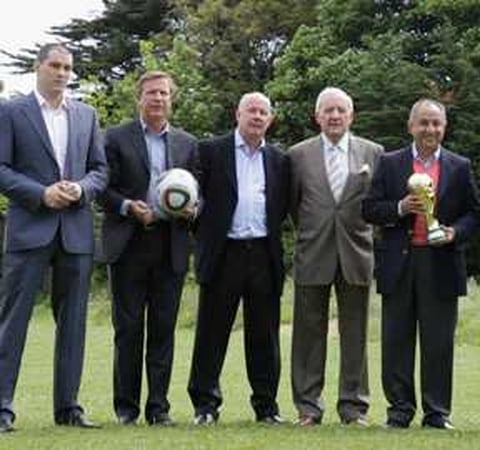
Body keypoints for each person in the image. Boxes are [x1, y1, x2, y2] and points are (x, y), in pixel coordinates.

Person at [0, 43, 108, 432]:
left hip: (75, 233)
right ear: (38, 67)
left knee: (74, 324)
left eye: (67, 67)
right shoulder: (12, 112)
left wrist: (81, 188)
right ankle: (2, 408)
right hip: (30, 230)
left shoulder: (86, 114)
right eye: (55, 66)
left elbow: (100, 170)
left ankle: (68, 408)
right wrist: (41, 193)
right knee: (13, 321)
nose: (62, 73)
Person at [363, 98, 479, 430]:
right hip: (399, 263)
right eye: (424, 122)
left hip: (441, 262)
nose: (430, 129)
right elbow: (369, 209)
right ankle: (400, 411)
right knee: (396, 340)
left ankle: (437, 412)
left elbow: (474, 214)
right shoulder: (390, 163)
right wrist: (399, 208)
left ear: (445, 127)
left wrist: (455, 232)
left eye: (436, 123)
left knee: (438, 342)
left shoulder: (460, 166)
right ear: (411, 126)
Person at [98, 71, 198, 426]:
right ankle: (126, 409)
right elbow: (102, 188)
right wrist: (128, 207)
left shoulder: (187, 143)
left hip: (171, 245)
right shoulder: (115, 137)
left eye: (164, 93)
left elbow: (199, 192)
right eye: (152, 93)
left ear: (172, 99)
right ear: (139, 97)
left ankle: (159, 408)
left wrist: (193, 209)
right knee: (127, 330)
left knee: (163, 329)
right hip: (129, 244)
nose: (158, 98)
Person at [187, 92, 290, 425]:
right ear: (238, 114)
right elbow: (194, 201)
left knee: (264, 336)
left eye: (263, 112)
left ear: (270, 119)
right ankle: (205, 406)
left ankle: (266, 407)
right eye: (251, 111)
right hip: (223, 253)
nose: (257, 117)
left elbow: (282, 207)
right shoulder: (210, 151)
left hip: (263, 253)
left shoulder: (279, 159)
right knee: (211, 333)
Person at [288, 87, 383, 427]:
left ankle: (354, 408)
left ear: (351, 115)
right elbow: (293, 205)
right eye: (328, 110)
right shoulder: (297, 155)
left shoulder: (373, 152)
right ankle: (308, 407)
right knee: (307, 334)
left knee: (355, 333)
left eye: (341, 110)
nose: (334, 116)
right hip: (313, 251)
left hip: (356, 253)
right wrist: (313, 232)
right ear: (317, 116)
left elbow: (377, 204)